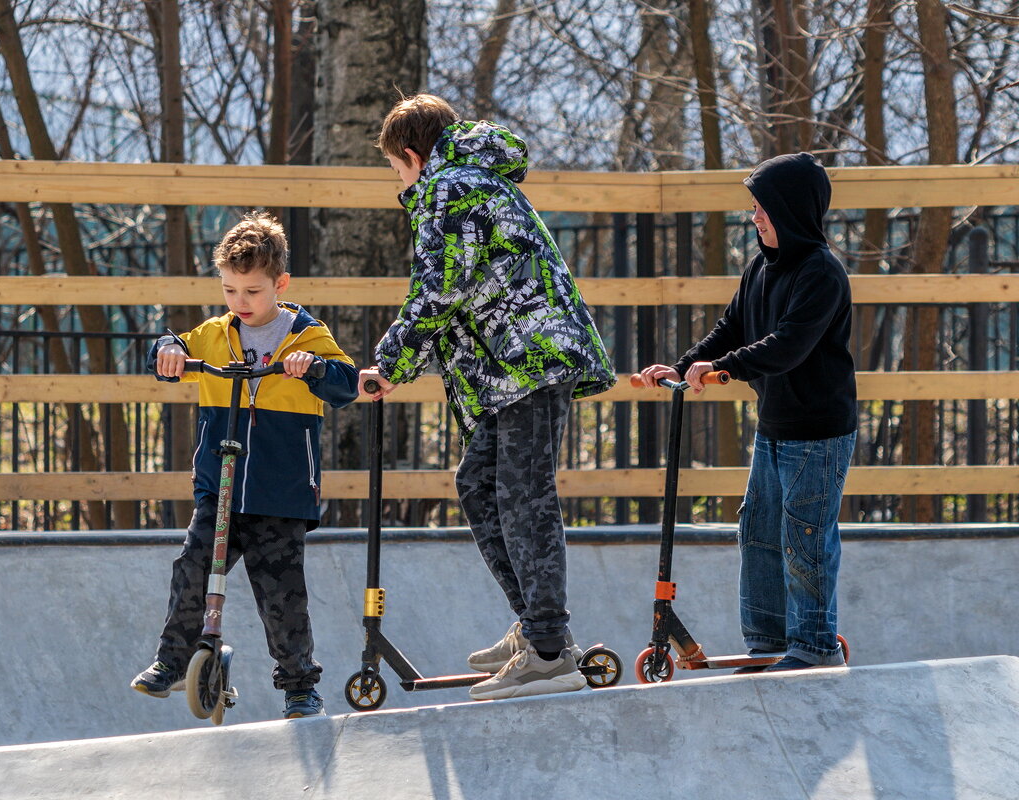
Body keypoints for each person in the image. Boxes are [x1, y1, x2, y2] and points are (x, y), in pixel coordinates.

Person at [361, 94, 616, 700]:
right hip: (514, 367)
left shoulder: (449, 187)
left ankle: (550, 650)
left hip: (525, 362)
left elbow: (441, 290)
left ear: (412, 156)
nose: (399, 184)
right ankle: (536, 627)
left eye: (396, 170)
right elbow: (463, 288)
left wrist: (391, 361)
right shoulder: (474, 180)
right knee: (479, 485)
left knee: (524, 497)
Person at [131, 212, 359, 717]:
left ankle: (299, 684)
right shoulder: (215, 335)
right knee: (193, 569)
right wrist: (167, 349)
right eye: (231, 290)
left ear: (280, 284)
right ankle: (172, 662)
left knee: (280, 593)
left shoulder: (306, 337)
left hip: (279, 491)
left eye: (253, 292)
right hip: (220, 484)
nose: (241, 302)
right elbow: (169, 352)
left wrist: (315, 369)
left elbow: (345, 385)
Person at [638, 152, 857, 672]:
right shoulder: (760, 266)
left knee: (803, 536)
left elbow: (787, 346)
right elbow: (731, 329)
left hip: (818, 433)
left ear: (790, 211)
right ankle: (767, 642)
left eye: (762, 208)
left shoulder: (821, 273)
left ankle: (814, 647)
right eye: (753, 207)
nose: (754, 217)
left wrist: (724, 367)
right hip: (776, 425)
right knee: (758, 530)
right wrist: (681, 367)